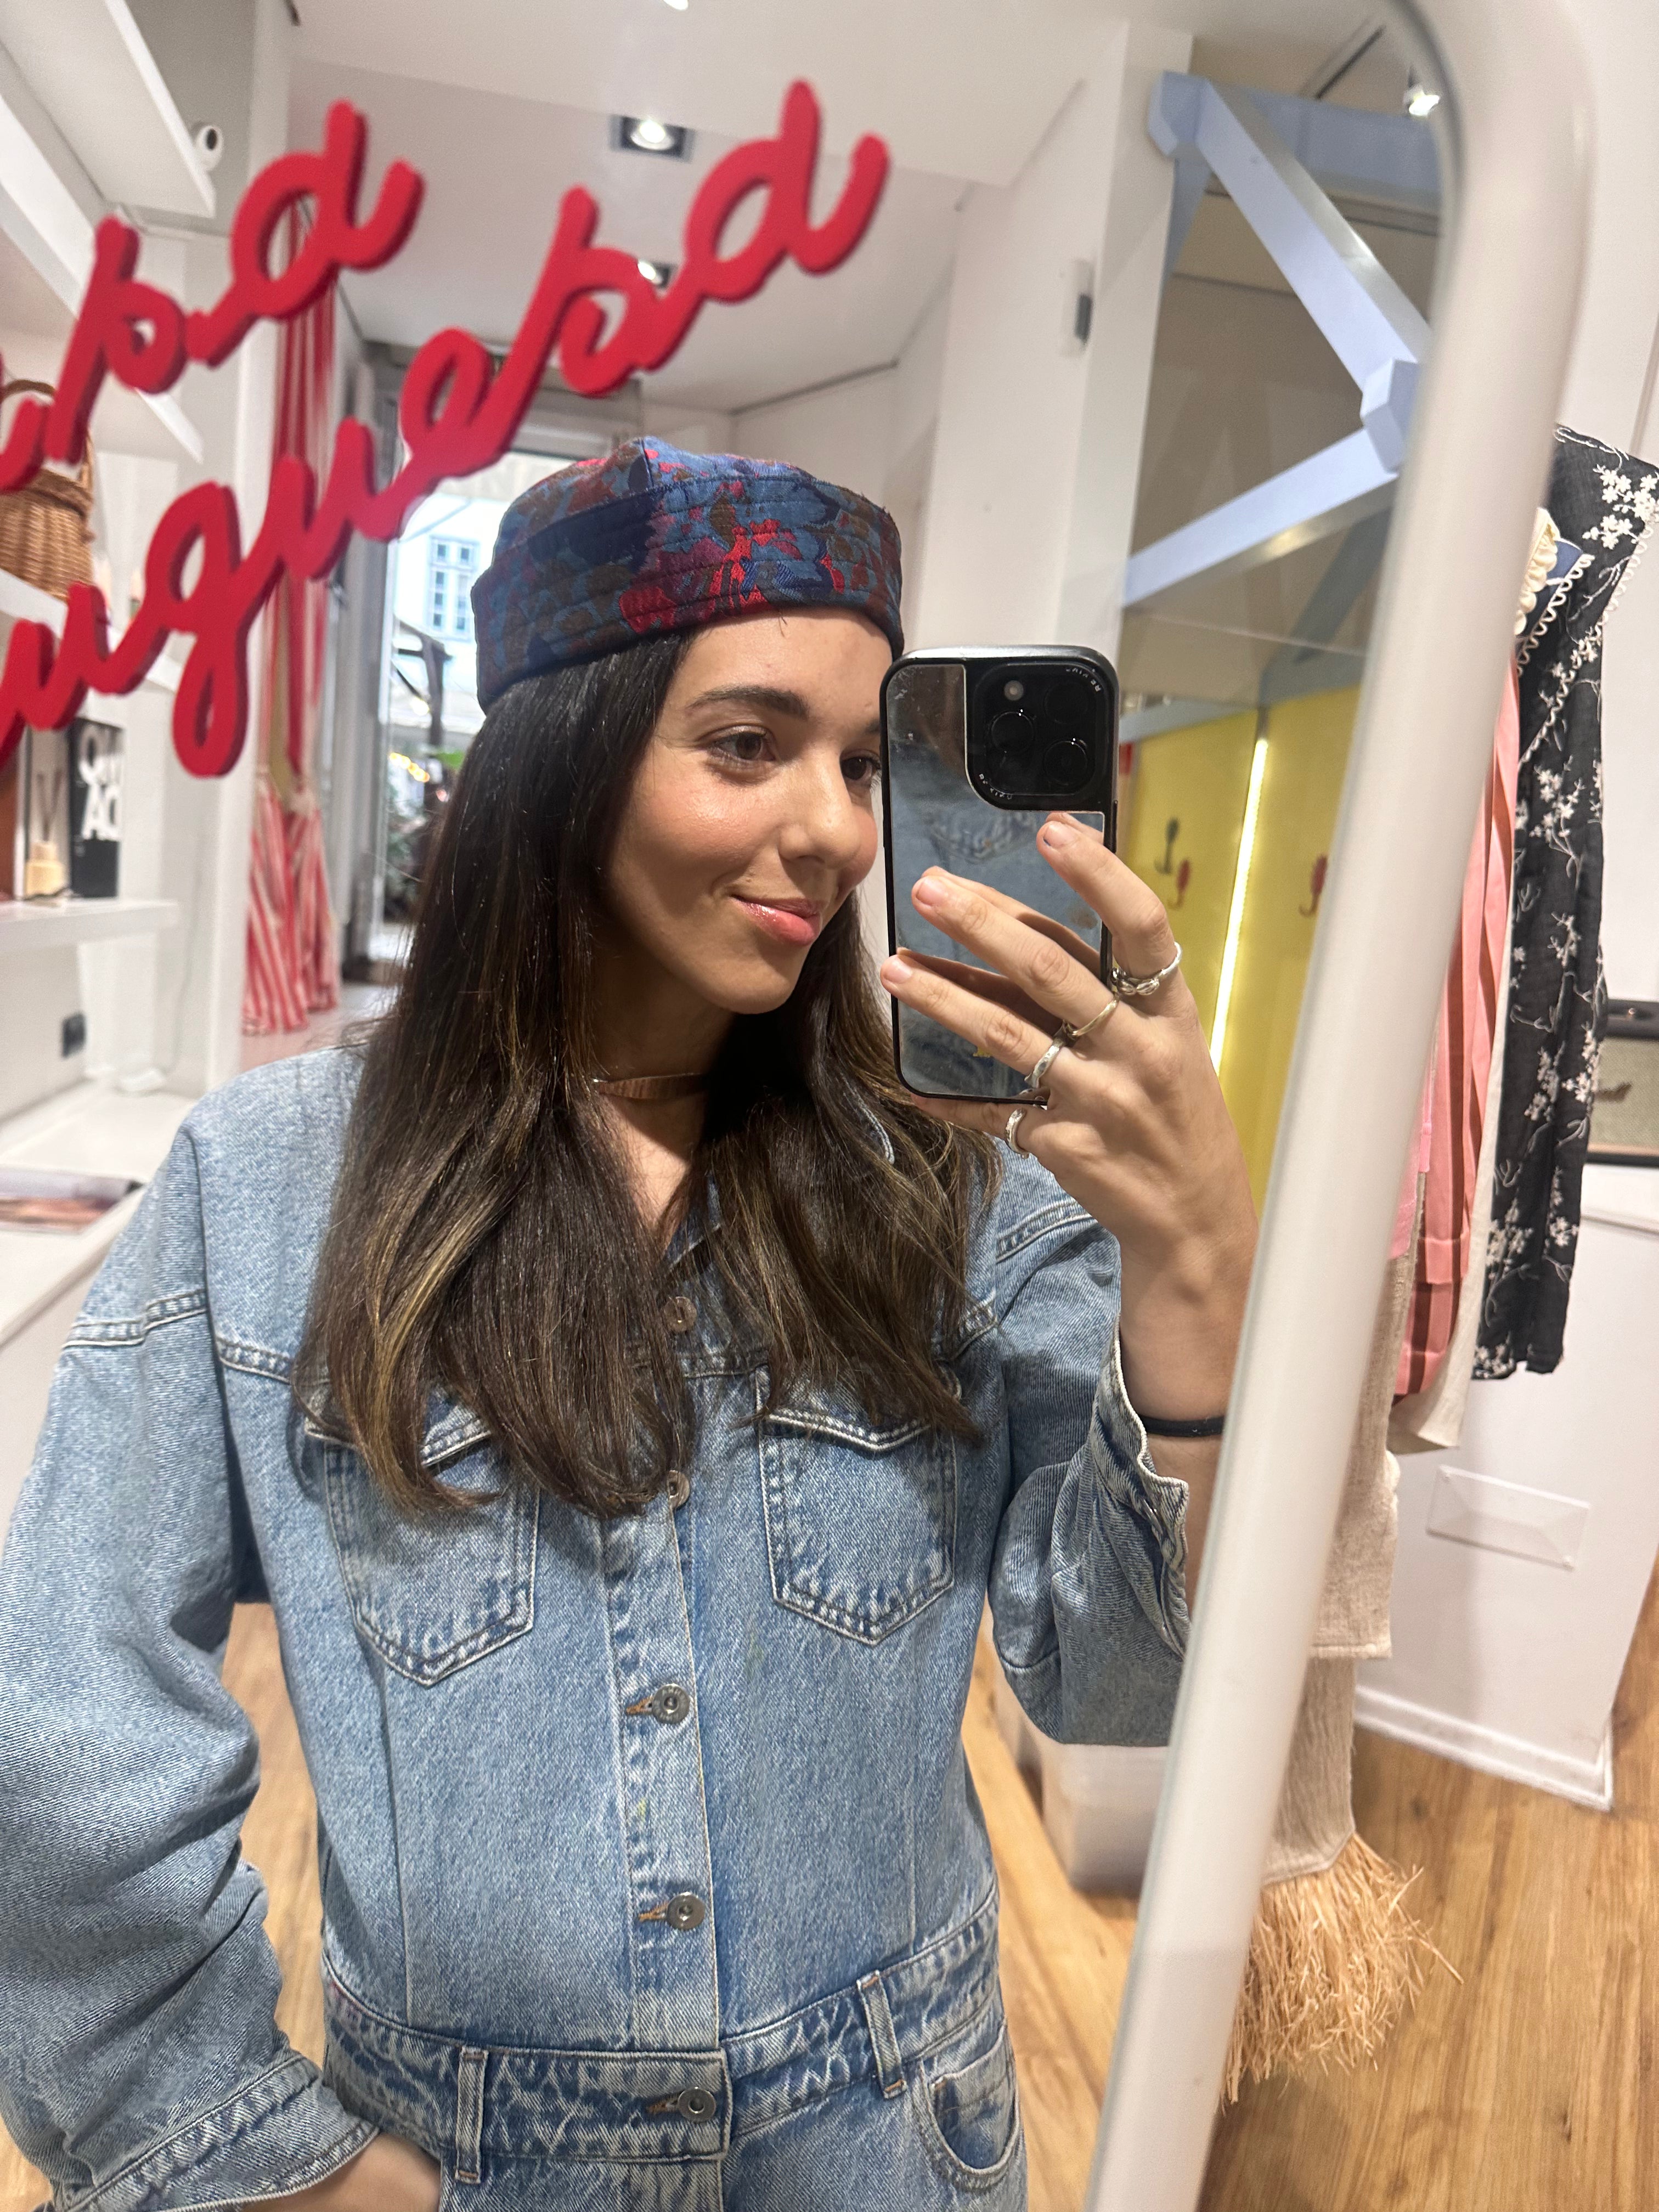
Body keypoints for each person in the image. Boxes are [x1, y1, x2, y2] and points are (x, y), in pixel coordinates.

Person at [0, 441, 1256, 2212]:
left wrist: (1196, 1271)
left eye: (858, 760)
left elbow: (1122, 1682)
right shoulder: (274, 1190)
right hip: (460, 2169)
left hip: (892, 2151)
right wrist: (257, 2158)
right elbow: (68, 1721)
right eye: (747, 745)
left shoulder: (954, 1185)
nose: (836, 828)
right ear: (561, 758)